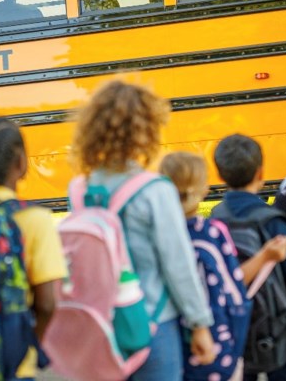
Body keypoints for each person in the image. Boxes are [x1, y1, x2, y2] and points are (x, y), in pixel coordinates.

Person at [70, 80, 215, 380]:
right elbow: (178, 264)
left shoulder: (79, 190)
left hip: (99, 327)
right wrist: (200, 323)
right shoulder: (155, 191)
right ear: (146, 130)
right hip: (153, 324)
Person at [159, 150, 286, 381]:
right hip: (217, 348)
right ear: (204, 190)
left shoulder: (155, 236)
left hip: (168, 351)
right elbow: (234, 282)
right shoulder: (212, 232)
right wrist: (266, 256)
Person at [0, 116, 68, 380]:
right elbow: (46, 304)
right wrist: (31, 349)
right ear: (21, 162)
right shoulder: (33, 220)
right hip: (11, 363)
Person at [211, 134, 286, 381]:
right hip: (274, 323)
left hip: (232, 320)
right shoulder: (273, 221)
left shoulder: (215, 219)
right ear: (261, 172)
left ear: (220, 175)